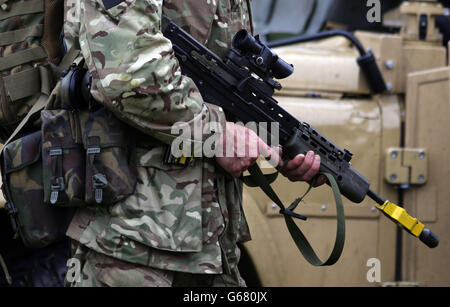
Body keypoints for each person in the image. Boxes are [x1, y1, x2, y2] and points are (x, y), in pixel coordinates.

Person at [63, 0, 325, 287]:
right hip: (133, 247)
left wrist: (270, 146)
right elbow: (128, 71)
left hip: (216, 249)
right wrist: (218, 135)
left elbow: (219, 83)